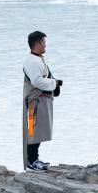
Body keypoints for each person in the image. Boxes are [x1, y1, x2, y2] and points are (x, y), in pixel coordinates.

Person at [22, 30, 62, 171]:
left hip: (39, 101)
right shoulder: (33, 62)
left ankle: (35, 159)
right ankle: (31, 163)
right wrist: (54, 83)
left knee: (37, 131)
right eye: (44, 42)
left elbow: (45, 77)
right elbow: (37, 82)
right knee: (33, 131)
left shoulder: (37, 59)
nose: (45, 45)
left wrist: (54, 84)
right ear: (38, 43)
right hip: (34, 103)